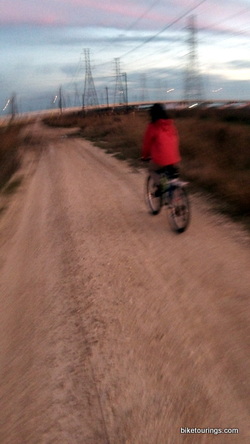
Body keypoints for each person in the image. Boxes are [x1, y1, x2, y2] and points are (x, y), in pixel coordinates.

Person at [141, 103, 181, 187]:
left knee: (152, 170)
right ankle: (172, 188)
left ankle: (161, 185)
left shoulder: (153, 126)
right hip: (174, 157)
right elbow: (175, 139)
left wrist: (144, 156)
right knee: (170, 173)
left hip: (160, 159)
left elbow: (147, 144)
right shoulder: (170, 124)